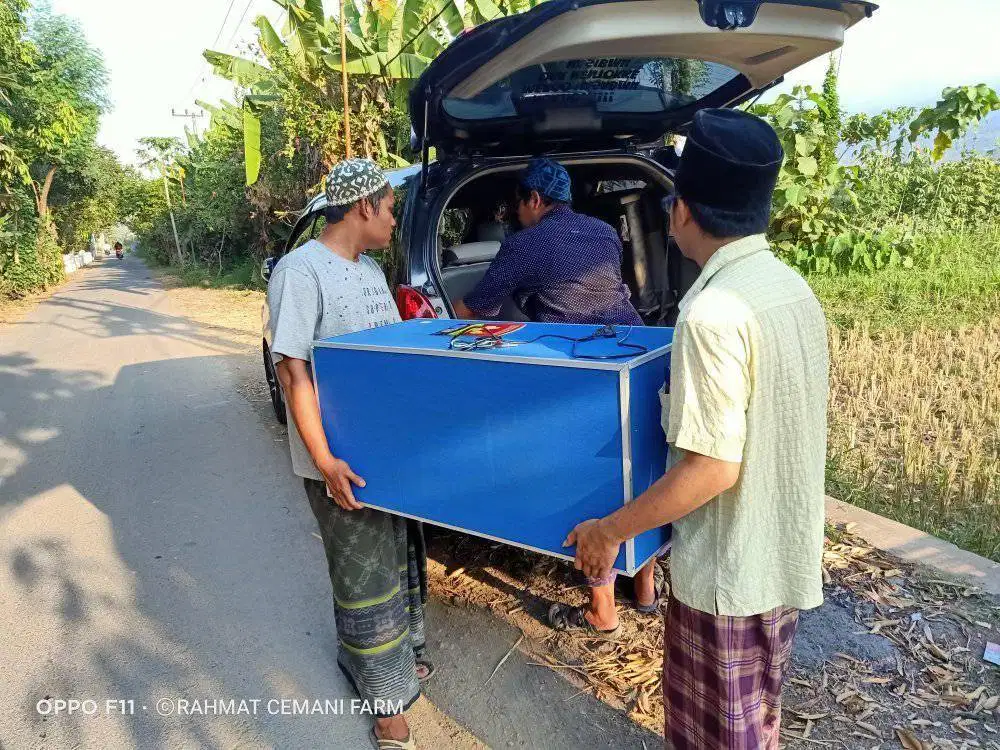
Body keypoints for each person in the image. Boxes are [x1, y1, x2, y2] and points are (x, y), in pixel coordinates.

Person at [567, 108, 829, 748]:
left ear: (681, 210)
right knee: (754, 725)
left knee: (715, 739)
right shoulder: (790, 287)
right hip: (780, 561)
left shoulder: (711, 313)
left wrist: (609, 531)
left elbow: (712, 467)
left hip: (729, 580)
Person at [453, 158, 662, 636]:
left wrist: (436, 316)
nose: (513, 215)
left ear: (534, 201)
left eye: (517, 206)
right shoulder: (603, 231)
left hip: (584, 366)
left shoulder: (524, 244)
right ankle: (646, 590)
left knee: (590, 477)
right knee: (643, 465)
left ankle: (602, 611)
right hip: (635, 345)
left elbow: (478, 307)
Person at [267, 158, 429, 750]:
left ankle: (393, 661)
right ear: (364, 207)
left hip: (385, 454)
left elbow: (390, 358)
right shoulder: (300, 270)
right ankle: (387, 708)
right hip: (339, 459)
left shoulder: (369, 273)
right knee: (363, 573)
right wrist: (325, 460)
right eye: (390, 208)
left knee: (397, 554)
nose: (393, 220)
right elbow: (293, 372)